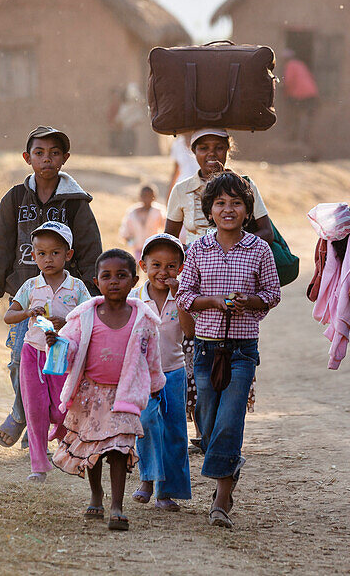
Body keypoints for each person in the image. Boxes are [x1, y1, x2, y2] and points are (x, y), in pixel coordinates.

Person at [0, 125, 103, 450]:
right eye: (39, 152)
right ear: (27, 158)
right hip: (26, 302)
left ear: (65, 158)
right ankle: (24, 415)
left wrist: (97, 302)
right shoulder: (14, 199)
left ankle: (52, 427)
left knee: (61, 367)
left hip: (66, 304)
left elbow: (92, 253)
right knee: (20, 364)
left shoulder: (76, 202)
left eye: (54, 153)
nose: (46, 159)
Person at [175, 172, 281, 528]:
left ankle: (221, 499)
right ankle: (227, 464)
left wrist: (249, 301)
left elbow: (272, 294)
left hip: (242, 349)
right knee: (206, 422)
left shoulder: (259, 249)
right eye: (220, 203)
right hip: (205, 349)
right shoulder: (198, 250)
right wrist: (213, 301)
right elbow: (185, 294)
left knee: (231, 419)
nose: (228, 209)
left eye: (236, 203)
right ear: (209, 211)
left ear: (247, 211)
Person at [163, 127, 274, 437]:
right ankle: (204, 429)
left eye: (218, 147)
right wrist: (181, 266)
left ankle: (226, 424)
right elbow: (169, 238)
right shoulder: (182, 190)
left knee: (234, 348)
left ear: (229, 149)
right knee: (192, 348)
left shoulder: (244, 187)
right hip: (194, 279)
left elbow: (266, 232)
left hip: (234, 279)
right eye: (203, 148)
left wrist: (236, 248)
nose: (211, 154)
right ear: (192, 151)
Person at [47, 250, 165, 531]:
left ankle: (117, 507)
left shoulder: (143, 319)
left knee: (119, 450)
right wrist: (57, 342)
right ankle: (97, 494)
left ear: (134, 280)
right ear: (95, 282)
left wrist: (155, 385)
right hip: (90, 395)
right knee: (95, 450)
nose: (114, 282)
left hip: (124, 395)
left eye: (121, 276)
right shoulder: (85, 316)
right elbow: (72, 348)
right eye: (107, 276)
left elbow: (151, 357)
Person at [3, 220, 92, 481]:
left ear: (68, 255)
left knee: (62, 408)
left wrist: (66, 322)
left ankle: (64, 448)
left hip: (64, 353)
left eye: (55, 252)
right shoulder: (31, 286)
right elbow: (9, 316)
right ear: (33, 256)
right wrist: (27, 312)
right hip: (34, 353)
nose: (48, 259)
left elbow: (88, 317)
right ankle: (39, 466)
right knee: (36, 408)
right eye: (41, 253)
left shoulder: (77, 287)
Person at [130, 233, 193, 512]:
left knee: (175, 431)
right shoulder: (134, 298)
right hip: (142, 373)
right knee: (145, 423)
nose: (162, 272)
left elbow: (190, 330)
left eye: (170, 266)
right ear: (143, 266)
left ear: (180, 268)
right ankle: (147, 478)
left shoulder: (182, 295)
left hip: (174, 371)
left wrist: (180, 297)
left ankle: (166, 492)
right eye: (156, 265)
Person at [119, 185, 167, 257]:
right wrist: (131, 242)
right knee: (137, 265)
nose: (147, 199)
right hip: (138, 249)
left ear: (154, 197)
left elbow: (166, 226)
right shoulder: (132, 212)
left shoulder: (158, 211)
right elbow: (125, 231)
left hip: (154, 248)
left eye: (149, 196)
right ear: (140, 197)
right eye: (144, 196)